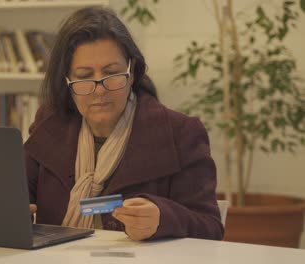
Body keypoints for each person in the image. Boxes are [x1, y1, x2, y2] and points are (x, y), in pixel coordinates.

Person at [24, 6, 224, 241]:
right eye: (85, 76)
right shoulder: (49, 125)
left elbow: (211, 229)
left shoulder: (180, 133)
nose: (99, 90)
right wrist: (12, 212)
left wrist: (164, 218)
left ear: (132, 71)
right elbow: (14, 197)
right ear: (67, 81)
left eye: (112, 73)